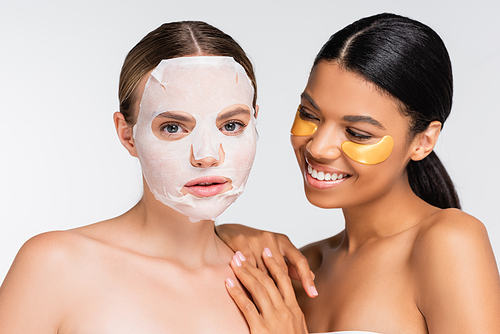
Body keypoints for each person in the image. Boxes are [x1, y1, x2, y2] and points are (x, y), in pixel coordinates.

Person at [218, 13, 500, 333]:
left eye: (357, 133)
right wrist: (217, 236)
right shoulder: (303, 270)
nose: (319, 147)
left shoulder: (449, 241)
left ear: (423, 141)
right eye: (309, 114)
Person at [0, 21, 267, 333]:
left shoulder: (266, 282)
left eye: (231, 125)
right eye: (172, 127)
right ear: (127, 135)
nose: (207, 155)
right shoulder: (55, 265)